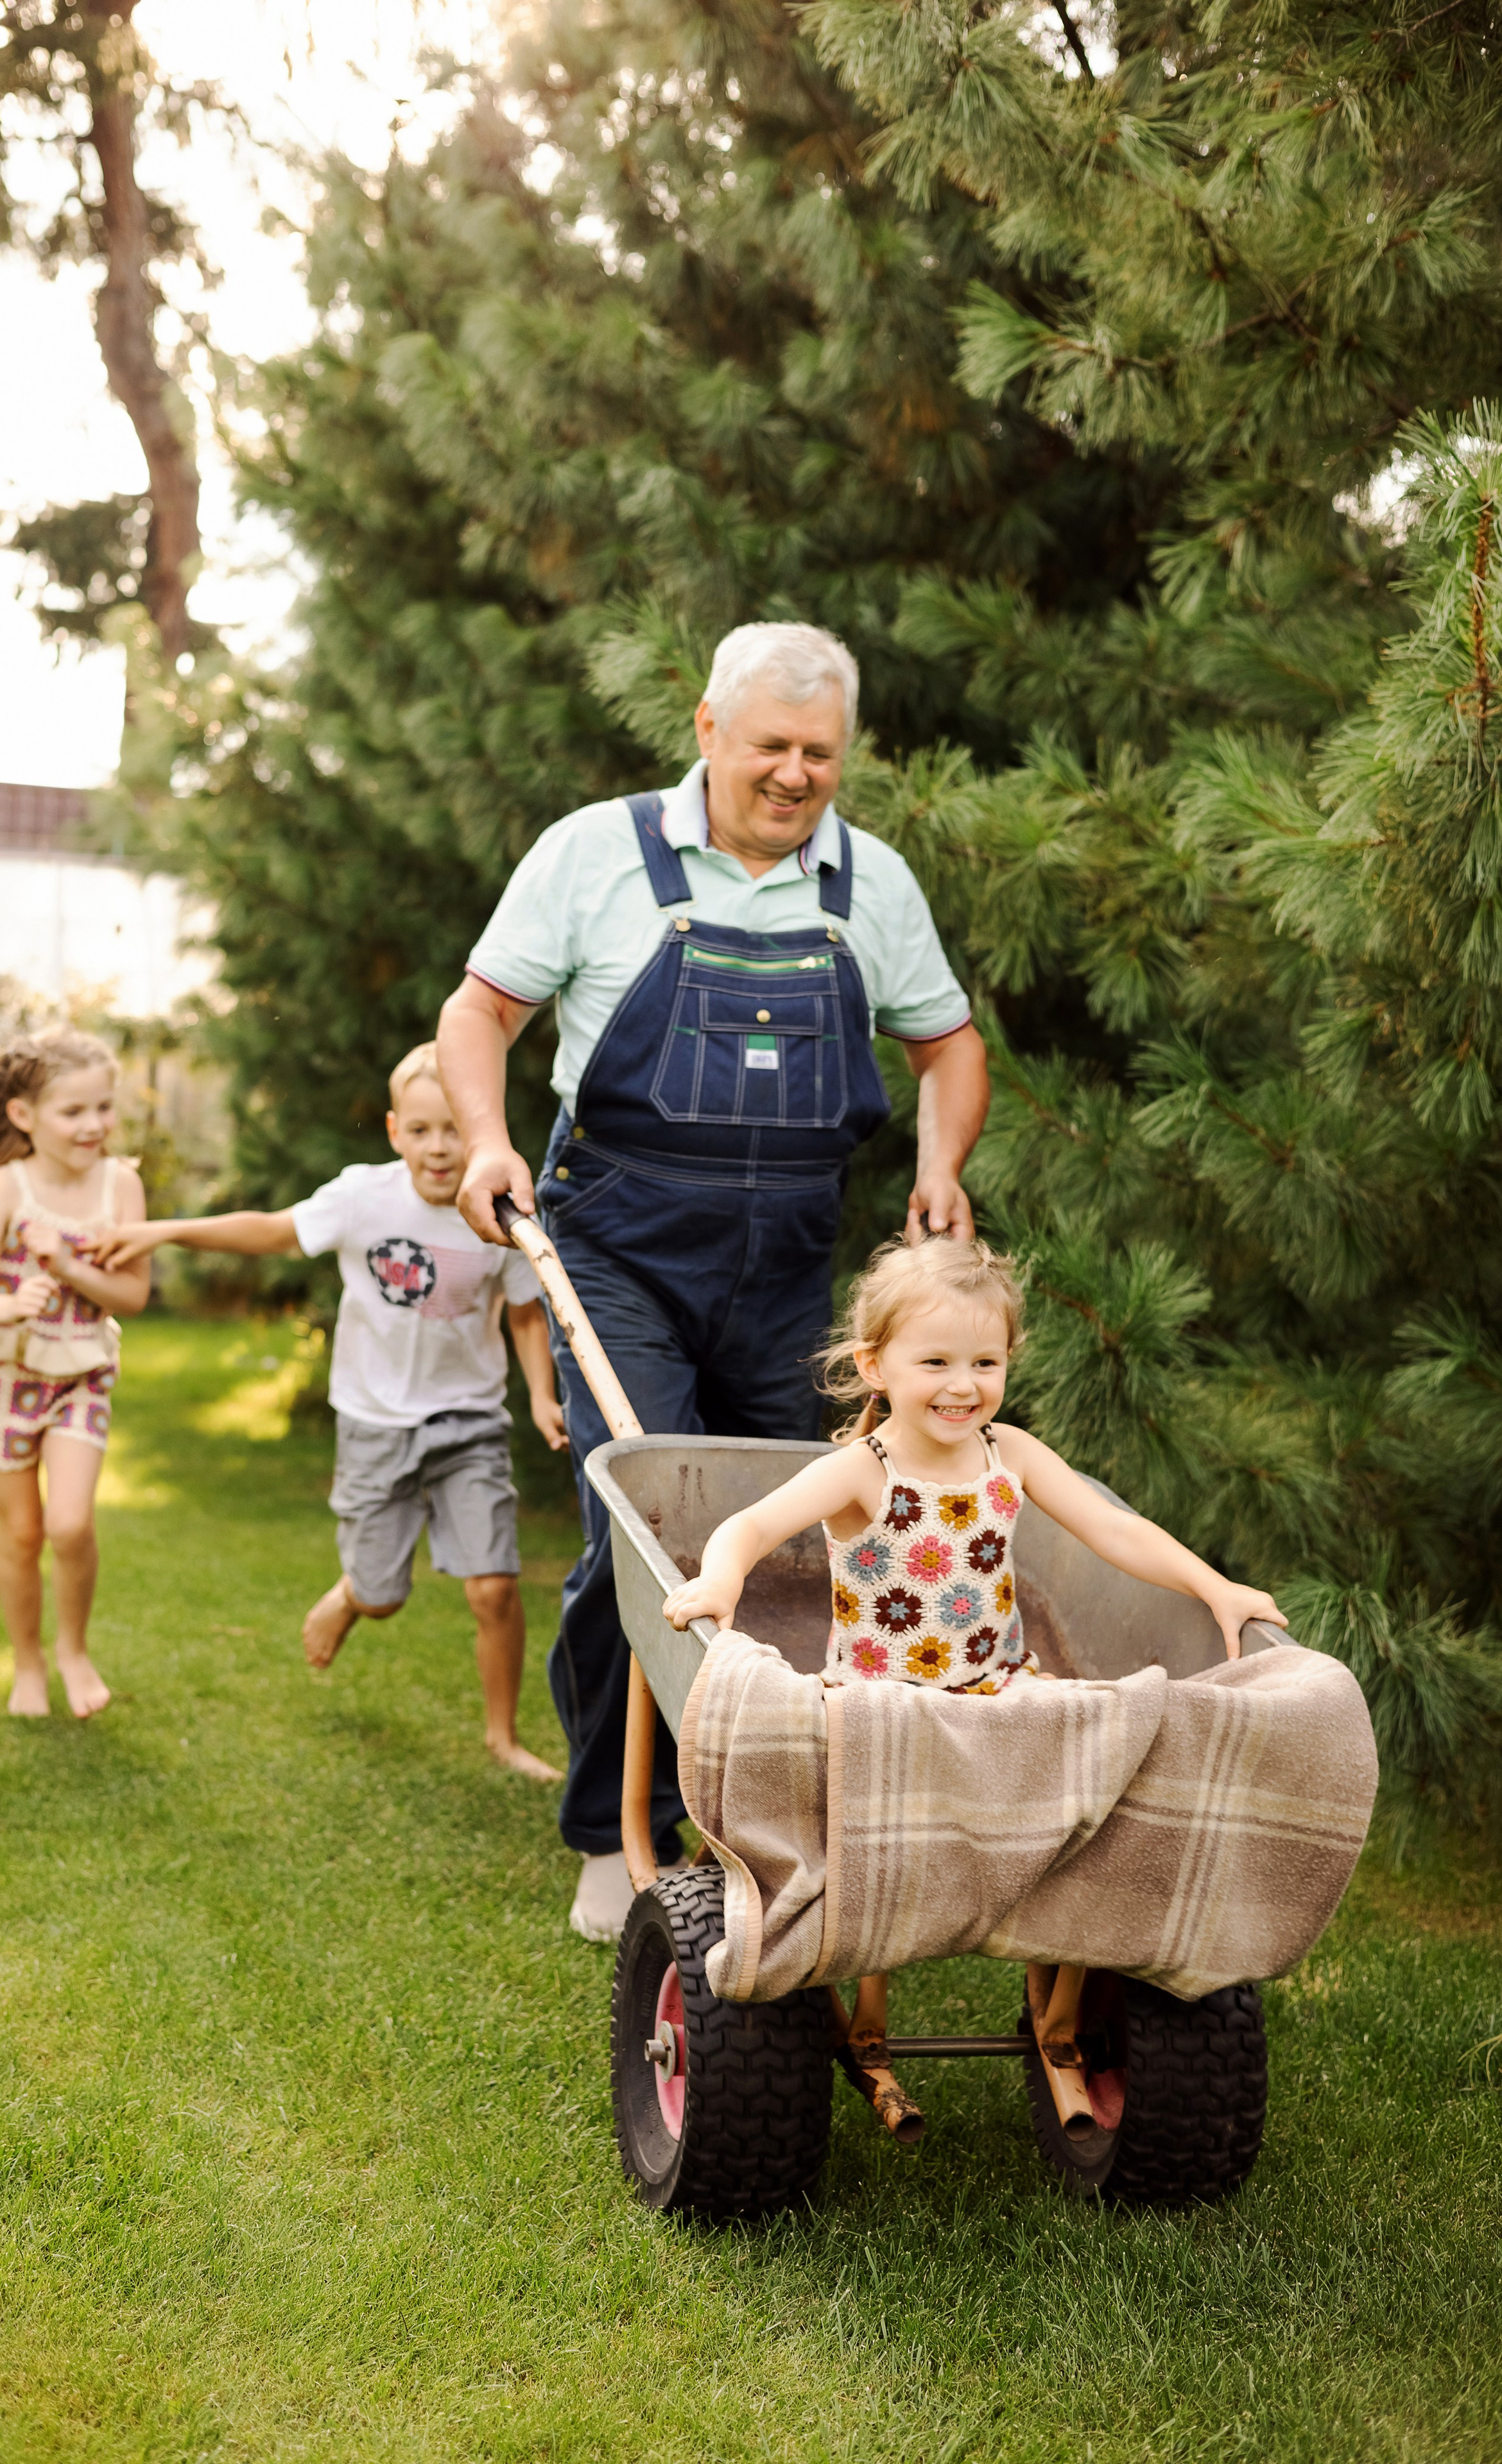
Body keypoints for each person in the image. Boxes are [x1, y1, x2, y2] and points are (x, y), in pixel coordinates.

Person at [438, 619, 990, 1940]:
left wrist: (939, 1162)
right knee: (641, 1525)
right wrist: (487, 1141)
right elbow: (479, 1014)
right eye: (769, 748)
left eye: (820, 754)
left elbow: (946, 1043)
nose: (795, 776)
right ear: (704, 730)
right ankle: (603, 1828)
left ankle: (742, 1812)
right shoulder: (594, 852)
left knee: (779, 1543)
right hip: (618, 1243)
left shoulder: (872, 885)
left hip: (792, 1261)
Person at [661, 1234, 1288, 2142]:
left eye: (985, 1361)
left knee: (1103, 1755)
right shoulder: (862, 1471)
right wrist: (722, 1584)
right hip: (882, 1705)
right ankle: (857, 1986)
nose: (964, 1384)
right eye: (937, 1362)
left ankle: (1077, 1963)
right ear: (876, 1365)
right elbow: (749, 1526)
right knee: (863, 1832)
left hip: (996, 1686)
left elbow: (1117, 1534)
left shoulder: (1012, 1456)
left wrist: (1215, 1587)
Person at [93, 1044, 568, 1781]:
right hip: (374, 1423)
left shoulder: (499, 1211)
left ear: (478, 1130)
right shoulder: (361, 1198)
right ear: (393, 1132)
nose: (438, 1147)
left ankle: (502, 1737)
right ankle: (353, 1595)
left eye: (452, 1129)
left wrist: (540, 1393)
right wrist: (163, 1231)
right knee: (383, 1597)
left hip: (467, 1422)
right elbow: (272, 1230)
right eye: (420, 1130)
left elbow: (526, 1313)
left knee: (494, 1585)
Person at [0, 1025, 151, 1719]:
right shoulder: (5, 1188)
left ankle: (73, 1650)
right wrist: (6, 1304)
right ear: (25, 1116)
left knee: (69, 1524)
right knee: (22, 1533)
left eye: (103, 1108)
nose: (94, 1125)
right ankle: (26, 1663)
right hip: (3, 1375)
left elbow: (133, 1297)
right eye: (74, 1111)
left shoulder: (121, 1185)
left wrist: (65, 1266)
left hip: (80, 1372)